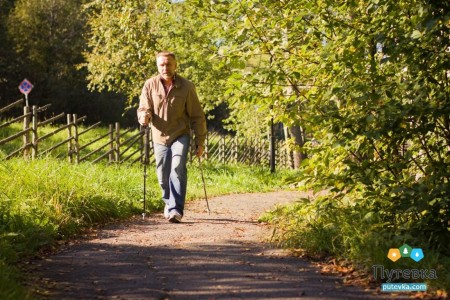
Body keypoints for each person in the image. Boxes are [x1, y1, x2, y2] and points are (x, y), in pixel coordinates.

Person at [137, 51, 207, 223]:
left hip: (180, 134)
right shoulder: (150, 85)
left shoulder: (187, 87)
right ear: (157, 66)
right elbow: (143, 107)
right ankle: (168, 202)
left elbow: (197, 116)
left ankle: (176, 209)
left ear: (176, 65)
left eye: (169, 64)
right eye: (162, 64)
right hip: (159, 136)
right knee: (162, 174)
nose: (165, 68)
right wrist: (143, 116)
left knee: (177, 167)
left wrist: (200, 142)